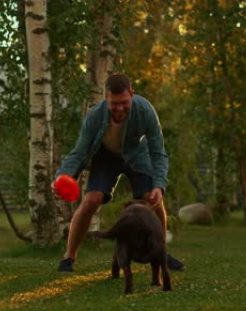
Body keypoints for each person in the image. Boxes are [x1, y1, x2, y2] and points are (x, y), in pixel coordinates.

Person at [52, 73, 185, 272]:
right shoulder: (95, 116)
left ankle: (161, 252)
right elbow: (79, 152)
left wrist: (159, 185)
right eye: (114, 103)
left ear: (132, 94)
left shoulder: (146, 110)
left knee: (153, 198)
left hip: (136, 154)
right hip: (106, 157)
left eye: (124, 102)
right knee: (91, 200)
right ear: (106, 98)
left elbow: (158, 152)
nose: (119, 108)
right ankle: (68, 257)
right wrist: (63, 177)